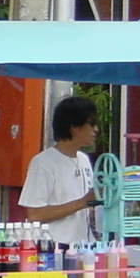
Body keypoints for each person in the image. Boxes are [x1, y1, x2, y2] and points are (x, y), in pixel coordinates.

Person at [21, 95, 98, 247]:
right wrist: (82, 202)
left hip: (85, 245)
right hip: (56, 247)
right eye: (91, 124)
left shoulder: (83, 159)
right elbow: (35, 214)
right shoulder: (43, 162)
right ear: (74, 127)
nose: (96, 130)